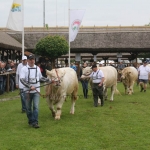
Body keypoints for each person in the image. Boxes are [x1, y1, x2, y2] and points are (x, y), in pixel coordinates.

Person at [20, 54, 49, 128]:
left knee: (36, 107)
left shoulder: (38, 68)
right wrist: (30, 86)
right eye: (30, 59)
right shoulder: (24, 69)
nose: (32, 61)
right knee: (28, 108)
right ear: (28, 60)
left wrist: (49, 80)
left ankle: (35, 122)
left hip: (36, 91)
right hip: (27, 91)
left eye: (33, 59)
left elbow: (40, 78)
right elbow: (22, 80)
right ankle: (31, 120)